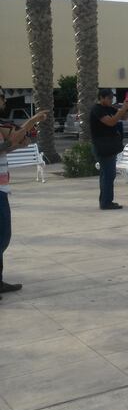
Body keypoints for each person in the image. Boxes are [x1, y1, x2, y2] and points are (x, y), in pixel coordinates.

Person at [0, 109, 49, 296]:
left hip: (2, 188)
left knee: (3, 236)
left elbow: (4, 146)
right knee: (2, 237)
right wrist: (33, 121)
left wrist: (15, 146)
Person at [90, 89, 128, 210]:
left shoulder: (109, 108)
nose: (110, 101)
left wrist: (126, 108)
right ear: (101, 98)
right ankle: (106, 202)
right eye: (109, 98)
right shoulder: (97, 109)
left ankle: (106, 201)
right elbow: (111, 122)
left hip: (110, 145)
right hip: (102, 146)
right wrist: (122, 109)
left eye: (112, 98)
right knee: (108, 174)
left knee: (107, 174)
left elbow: (124, 117)